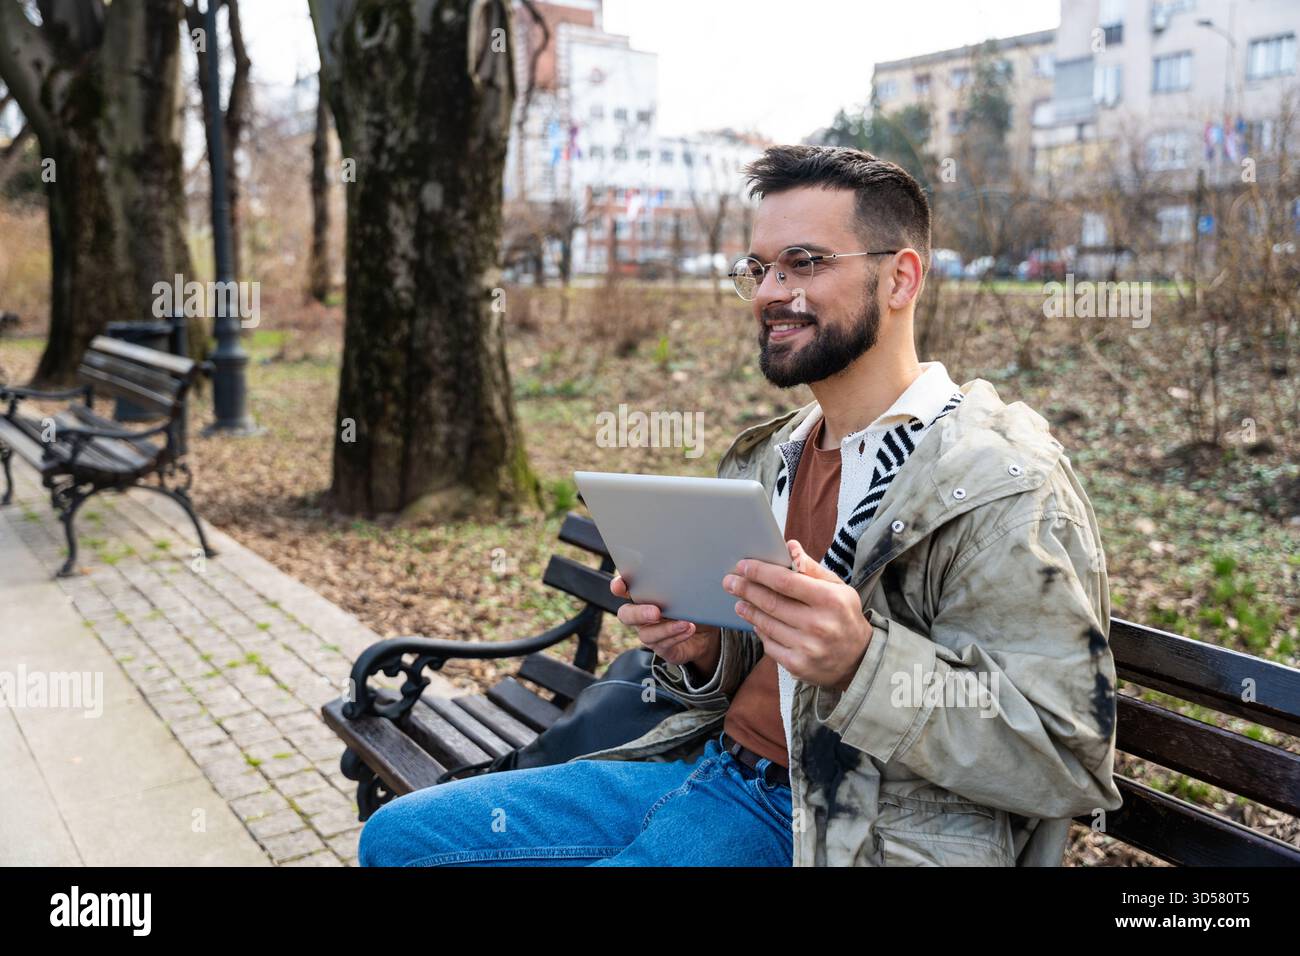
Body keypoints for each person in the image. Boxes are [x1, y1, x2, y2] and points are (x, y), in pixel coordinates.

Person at [359, 144, 1122, 867]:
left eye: (805, 263)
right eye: (757, 268)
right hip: (704, 766)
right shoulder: (777, 453)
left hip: (836, 825)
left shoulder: (1002, 481)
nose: (768, 293)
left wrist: (862, 662)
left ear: (900, 279)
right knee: (398, 838)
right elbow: (762, 675)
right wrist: (702, 648)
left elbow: (1066, 755)